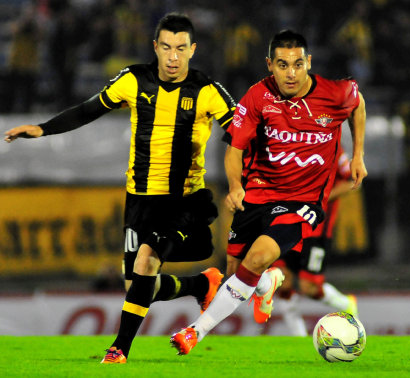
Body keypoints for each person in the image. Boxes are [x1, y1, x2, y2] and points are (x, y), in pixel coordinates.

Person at [4, 13, 236, 362]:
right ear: (155, 47)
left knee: (145, 264)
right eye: (167, 47)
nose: (174, 57)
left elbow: (242, 133)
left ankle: (119, 349)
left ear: (193, 50)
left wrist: (244, 181)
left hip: (182, 200)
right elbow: (87, 110)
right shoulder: (133, 80)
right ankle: (200, 285)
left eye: (182, 48)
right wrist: (43, 129)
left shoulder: (206, 91)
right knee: (138, 285)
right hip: (139, 199)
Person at [170, 29, 367, 355]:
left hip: (303, 202)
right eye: (282, 65)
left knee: (259, 259)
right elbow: (234, 148)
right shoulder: (257, 97)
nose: (291, 73)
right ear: (269, 65)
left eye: (297, 64)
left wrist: (358, 153)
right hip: (258, 195)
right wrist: (235, 187)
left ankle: (194, 332)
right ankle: (267, 282)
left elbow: (358, 104)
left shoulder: (335, 93)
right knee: (236, 274)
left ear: (308, 62)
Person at [274, 147, 358, 336]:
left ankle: (346, 304)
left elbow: (352, 180)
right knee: (282, 280)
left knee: (309, 287)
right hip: (288, 223)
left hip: (317, 229)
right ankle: (298, 338)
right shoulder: (287, 140)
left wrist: (321, 199)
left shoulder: (332, 147)